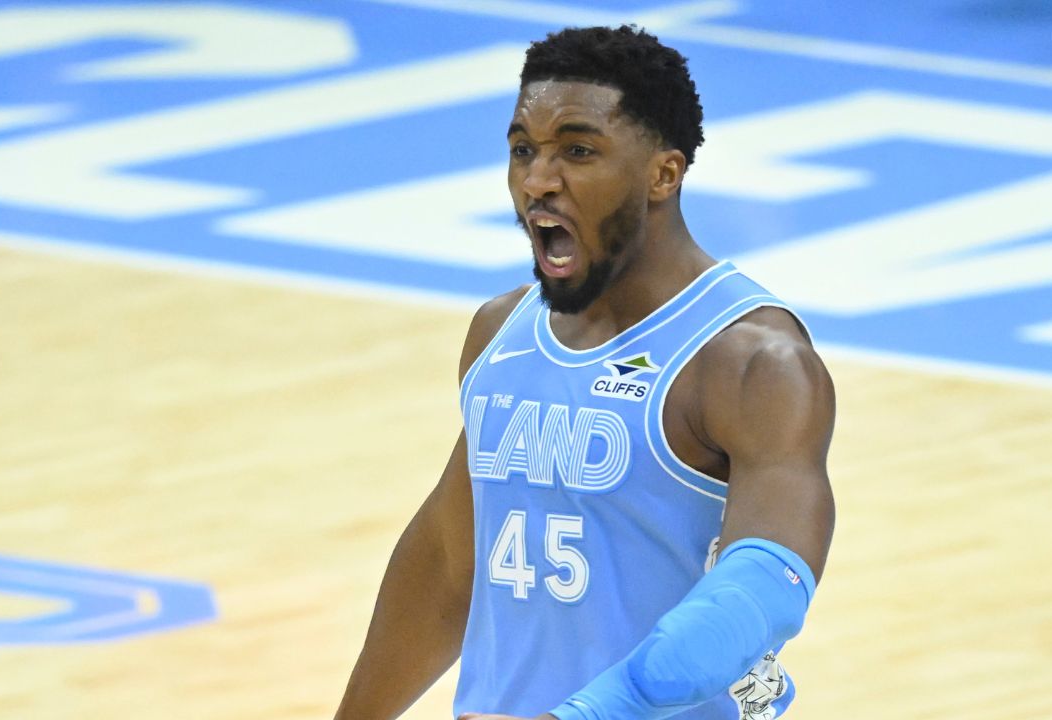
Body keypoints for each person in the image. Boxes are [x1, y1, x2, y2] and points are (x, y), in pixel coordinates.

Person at [334, 25, 835, 720]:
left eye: (577, 151)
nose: (537, 181)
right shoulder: (501, 334)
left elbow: (759, 596)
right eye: (523, 150)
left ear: (664, 173)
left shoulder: (750, 361)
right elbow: (450, 567)